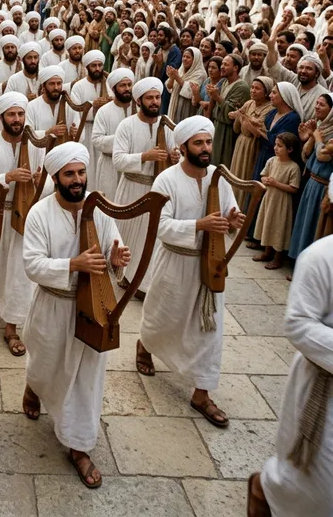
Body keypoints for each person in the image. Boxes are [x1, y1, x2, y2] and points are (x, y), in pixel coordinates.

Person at [22, 142, 129, 488]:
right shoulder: (39, 213)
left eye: (81, 172)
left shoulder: (101, 210)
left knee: (86, 378)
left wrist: (116, 262)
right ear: (55, 177)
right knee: (46, 364)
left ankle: (78, 444)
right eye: (69, 174)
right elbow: (32, 265)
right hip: (52, 304)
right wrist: (73, 264)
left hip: (92, 309)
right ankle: (34, 386)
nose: (77, 179)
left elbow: (114, 247)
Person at [137, 116, 245, 428]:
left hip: (209, 267)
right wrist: (199, 224)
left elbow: (228, 210)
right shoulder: (166, 180)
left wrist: (233, 219)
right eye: (198, 143)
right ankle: (145, 344)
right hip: (174, 262)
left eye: (208, 142)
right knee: (162, 317)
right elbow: (160, 225)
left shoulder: (219, 178)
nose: (205, 148)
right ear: (183, 146)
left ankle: (202, 391)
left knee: (210, 329)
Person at [247, 231, 333, 517]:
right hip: (325, 388)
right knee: (318, 487)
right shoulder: (321, 257)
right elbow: (298, 324)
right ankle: (266, 488)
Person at [0, 92, 50, 356]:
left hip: (25, 216)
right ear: (2, 117)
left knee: (19, 271)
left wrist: (41, 180)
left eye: (20, 114)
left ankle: (12, 326)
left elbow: (51, 184)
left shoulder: (37, 145)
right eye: (12, 115)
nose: (17, 119)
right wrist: (8, 176)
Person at [112, 77, 178, 295]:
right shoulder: (127, 125)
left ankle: (145, 283)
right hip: (132, 188)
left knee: (154, 238)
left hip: (158, 190)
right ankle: (128, 277)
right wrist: (145, 156)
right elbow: (118, 160)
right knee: (132, 237)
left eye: (157, 97)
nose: (154, 102)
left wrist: (176, 155)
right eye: (149, 98)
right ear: (139, 100)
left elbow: (177, 151)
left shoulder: (167, 124)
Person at [289, 95, 333, 262]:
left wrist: (317, 136)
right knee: (304, 223)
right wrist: (311, 137)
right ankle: (298, 259)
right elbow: (306, 156)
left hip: (323, 187)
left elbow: (323, 156)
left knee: (314, 226)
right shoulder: (321, 127)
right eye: (316, 103)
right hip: (311, 183)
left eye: (321, 105)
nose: (317, 107)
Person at [252, 133, 301, 270]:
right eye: (275, 145)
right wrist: (265, 180)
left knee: (279, 227)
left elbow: (294, 188)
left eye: (280, 146)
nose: (275, 148)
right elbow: (263, 175)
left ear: (290, 149)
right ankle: (267, 252)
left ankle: (278, 257)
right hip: (270, 198)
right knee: (268, 223)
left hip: (282, 202)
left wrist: (275, 183)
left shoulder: (293, 167)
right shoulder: (272, 161)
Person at [228, 76, 275, 206]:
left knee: (246, 174)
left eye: (257, 88)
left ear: (266, 92)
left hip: (252, 146)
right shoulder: (249, 103)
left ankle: (242, 206)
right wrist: (240, 117)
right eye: (252, 87)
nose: (253, 91)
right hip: (241, 143)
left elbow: (256, 132)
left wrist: (242, 117)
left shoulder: (270, 109)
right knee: (236, 172)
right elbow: (237, 128)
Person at [67, 49, 110, 189]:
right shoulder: (79, 87)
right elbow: (75, 110)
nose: (97, 69)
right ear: (87, 67)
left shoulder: (108, 83)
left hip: (105, 132)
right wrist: (93, 106)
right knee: (89, 167)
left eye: (100, 65)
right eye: (94, 65)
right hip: (86, 131)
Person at [91, 68, 135, 197]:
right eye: (122, 85)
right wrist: (122, 139)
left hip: (132, 167)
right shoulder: (104, 111)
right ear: (114, 88)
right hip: (109, 166)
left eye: (129, 84)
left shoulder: (138, 109)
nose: (127, 88)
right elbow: (97, 140)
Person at [209, 54, 250, 167]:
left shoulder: (241, 87)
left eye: (226, 64)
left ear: (236, 68)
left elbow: (230, 114)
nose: (222, 67)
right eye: (222, 64)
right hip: (217, 127)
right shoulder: (224, 82)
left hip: (227, 133)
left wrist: (216, 97)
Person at [166, 46, 205, 122]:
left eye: (188, 57)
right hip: (174, 105)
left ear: (195, 60)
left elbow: (190, 92)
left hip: (188, 109)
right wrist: (171, 77)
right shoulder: (180, 69)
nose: (185, 59)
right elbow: (169, 87)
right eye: (184, 56)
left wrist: (176, 77)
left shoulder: (200, 74)